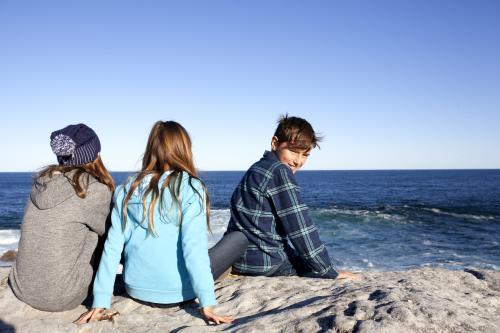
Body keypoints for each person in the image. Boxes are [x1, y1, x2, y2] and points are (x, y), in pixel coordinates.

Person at [75, 121, 247, 325]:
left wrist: (101, 300)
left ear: (151, 149)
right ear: (184, 150)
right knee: (239, 238)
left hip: (136, 289)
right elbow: (193, 250)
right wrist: (207, 303)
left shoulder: (127, 189)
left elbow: (112, 248)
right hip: (181, 293)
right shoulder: (191, 187)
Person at [226, 115, 356, 279]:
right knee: (337, 274)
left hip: (241, 260)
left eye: (305, 155)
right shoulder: (279, 171)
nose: (298, 161)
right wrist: (328, 270)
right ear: (275, 143)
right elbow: (300, 228)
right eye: (293, 151)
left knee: (300, 258)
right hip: (266, 264)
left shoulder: (256, 169)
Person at [9, 123, 115, 311]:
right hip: (64, 296)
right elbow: (107, 235)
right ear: (94, 154)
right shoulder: (95, 189)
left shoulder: (41, 183)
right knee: (106, 234)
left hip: (23, 287)